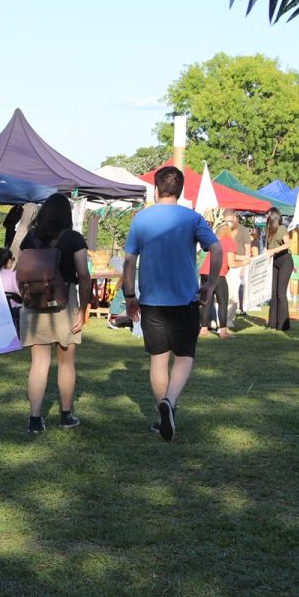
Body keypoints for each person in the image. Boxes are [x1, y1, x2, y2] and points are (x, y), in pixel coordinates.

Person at [123, 167, 221, 442]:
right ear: (181, 190)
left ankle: (161, 415)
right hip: (184, 299)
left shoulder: (141, 219)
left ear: (156, 189)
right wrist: (210, 284)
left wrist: (130, 296)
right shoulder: (192, 218)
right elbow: (217, 249)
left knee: (158, 358)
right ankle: (171, 401)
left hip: (152, 300)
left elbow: (130, 260)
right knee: (185, 355)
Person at [19, 193, 90, 433]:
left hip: (34, 304)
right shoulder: (73, 239)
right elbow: (83, 275)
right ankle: (66, 415)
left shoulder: (30, 237)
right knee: (66, 362)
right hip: (64, 303)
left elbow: (21, 269)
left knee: (39, 362)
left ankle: (35, 419)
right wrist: (84, 308)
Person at [198, 219, 237, 339]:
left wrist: (243, 257)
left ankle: (203, 329)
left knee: (207, 301)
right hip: (218, 274)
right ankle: (223, 332)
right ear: (232, 231)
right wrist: (246, 261)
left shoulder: (216, 240)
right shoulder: (230, 241)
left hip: (205, 271)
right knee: (223, 301)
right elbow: (232, 263)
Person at [263, 207, 292, 331]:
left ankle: (283, 325)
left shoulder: (281, 228)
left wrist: (273, 251)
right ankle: (272, 324)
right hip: (274, 262)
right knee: (273, 294)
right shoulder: (268, 230)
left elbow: (287, 244)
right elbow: (267, 248)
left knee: (281, 294)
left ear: (273, 216)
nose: (265, 217)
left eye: (267, 215)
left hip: (285, 260)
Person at [224, 211, 253, 318]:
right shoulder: (224, 231)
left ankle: (229, 319)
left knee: (233, 293)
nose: (226, 224)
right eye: (225, 221)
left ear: (235, 219)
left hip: (237, 264)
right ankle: (225, 318)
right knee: (226, 292)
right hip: (226, 264)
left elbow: (247, 250)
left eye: (228, 221)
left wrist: (244, 267)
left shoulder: (243, 230)